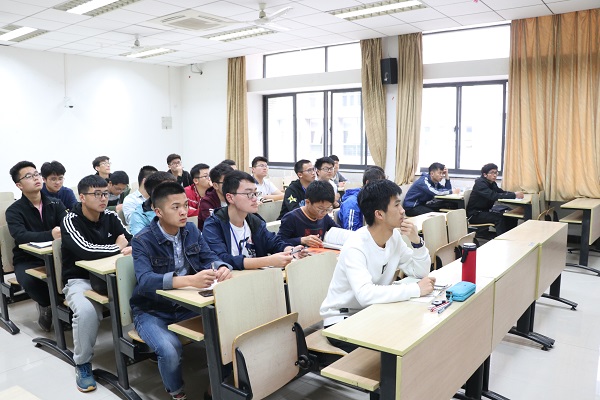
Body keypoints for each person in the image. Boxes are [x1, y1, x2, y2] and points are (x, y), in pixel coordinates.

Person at [131, 182, 232, 400]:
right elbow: (145, 281)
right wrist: (189, 280)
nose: (184, 211)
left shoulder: (191, 230)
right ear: (158, 212)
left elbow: (208, 256)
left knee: (229, 331)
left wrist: (221, 266)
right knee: (169, 349)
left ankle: (216, 387)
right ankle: (177, 393)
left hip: (187, 305)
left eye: (185, 205)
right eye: (175, 207)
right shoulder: (142, 240)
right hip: (152, 310)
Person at [320, 179, 434, 352]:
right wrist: (415, 289)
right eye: (397, 205)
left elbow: (420, 272)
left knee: (415, 332)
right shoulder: (356, 246)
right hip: (342, 320)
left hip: (373, 310)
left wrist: (416, 242)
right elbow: (365, 294)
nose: (403, 210)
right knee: (399, 342)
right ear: (379, 214)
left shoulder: (394, 237)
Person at [60, 175, 132, 393]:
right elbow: (85, 250)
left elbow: (131, 238)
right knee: (86, 312)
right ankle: (82, 363)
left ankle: (142, 346)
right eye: (97, 194)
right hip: (80, 279)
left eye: (106, 194)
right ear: (82, 197)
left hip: (111, 276)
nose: (103, 199)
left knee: (146, 293)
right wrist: (117, 247)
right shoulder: (70, 220)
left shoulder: (110, 216)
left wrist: (127, 245)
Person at [6, 161, 67, 332]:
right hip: (28, 258)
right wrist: (50, 235)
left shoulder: (55, 203)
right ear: (19, 185)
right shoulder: (14, 210)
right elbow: (21, 236)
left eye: (36, 174)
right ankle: (46, 305)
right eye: (28, 176)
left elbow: (67, 226)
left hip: (56, 255)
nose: (35, 178)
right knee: (29, 280)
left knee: (72, 273)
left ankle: (63, 308)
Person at [203, 170, 305, 270]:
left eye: (256, 193)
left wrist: (291, 250)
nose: (255, 198)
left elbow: (273, 242)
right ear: (230, 198)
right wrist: (267, 261)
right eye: (249, 194)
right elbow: (221, 259)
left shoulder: (254, 221)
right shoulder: (213, 225)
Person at [467, 163, 524, 235]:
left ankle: (510, 236)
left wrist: (514, 194)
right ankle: (502, 239)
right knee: (499, 218)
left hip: (485, 211)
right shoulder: (480, 184)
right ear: (485, 174)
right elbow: (493, 196)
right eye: (492, 173)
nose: (495, 175)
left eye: (496, 172)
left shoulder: (492, 183)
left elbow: (501, 192)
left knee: (509, 214)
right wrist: (514, 195)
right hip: (475, 214)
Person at [277, 180, 339, 247]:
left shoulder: (325, 217)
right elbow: (279, 242)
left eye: (327, 209)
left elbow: (338, 231)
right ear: (307, 202)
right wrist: (302, 240)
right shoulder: (292, 218)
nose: (324, 213)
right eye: (320, 209)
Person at [338, 166, 386, 231]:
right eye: (379, 184)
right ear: (368, 183)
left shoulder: (373, 201)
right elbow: (351, 231)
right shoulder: (353, 202)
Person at [198, 163, 233, 230]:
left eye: (233, 181)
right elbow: (215, 226)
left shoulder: (237, 196)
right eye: (226, 182)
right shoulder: (206, 202)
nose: (231, 185)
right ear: (215, 186)